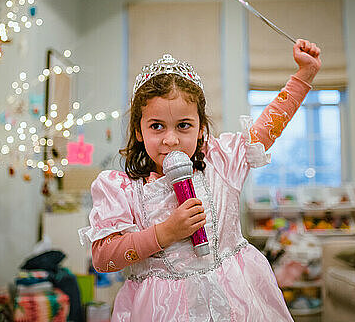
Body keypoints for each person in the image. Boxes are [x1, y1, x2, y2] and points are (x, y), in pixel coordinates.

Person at [79, 39, 321, 321]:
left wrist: (304, 75)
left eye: (183, 125)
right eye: (157, 126)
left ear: (201, 129)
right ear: (139, 131)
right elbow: (104, 257)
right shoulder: (122, 189)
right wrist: (165, 232)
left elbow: (269, 125)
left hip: (236, 302)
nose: (171, 140)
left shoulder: (222, 162)